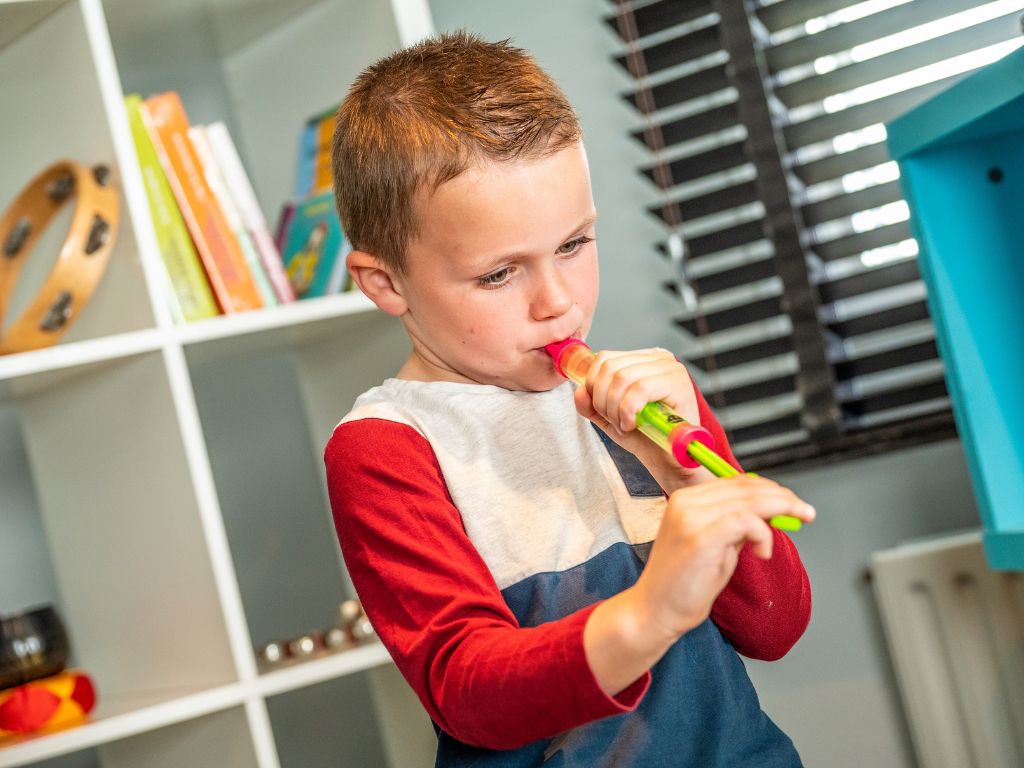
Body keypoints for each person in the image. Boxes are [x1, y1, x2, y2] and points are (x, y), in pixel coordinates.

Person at [323, 31, 816, 767]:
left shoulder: (649, 394)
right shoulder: (386, 449)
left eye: (575, 244)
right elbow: (469, 694)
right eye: (498, 275)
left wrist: (689, 474)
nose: (558, 304)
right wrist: (650, 614)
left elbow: (774, 625)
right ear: (386, 283)